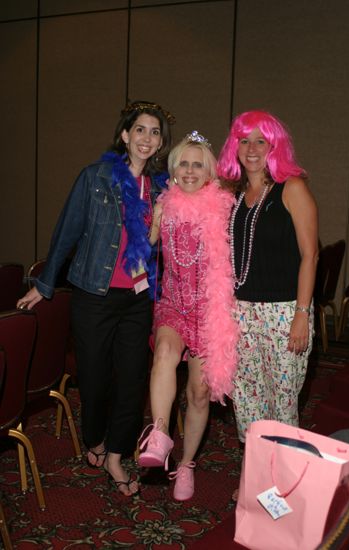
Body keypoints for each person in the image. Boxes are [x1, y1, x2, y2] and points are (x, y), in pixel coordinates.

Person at [17, 100, 175, 496]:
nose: (146, 138)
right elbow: (67, 232)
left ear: (159, 144)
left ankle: (117, 456)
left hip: (138, 299)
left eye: (154, 132)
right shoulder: (95, 177)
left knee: (133, 380)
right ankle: (94, 438)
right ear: (125, 135)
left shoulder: (161, 188)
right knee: (94, 377)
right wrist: (45, 283)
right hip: (93, 293)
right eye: (140, 129)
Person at [137, 131, 238, 501]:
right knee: (163, 354)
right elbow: (143, 247)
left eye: (199, 164)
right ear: (174, 169)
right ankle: (160, 435)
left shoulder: (226, 210)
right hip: (174, 303)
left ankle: (187, 464)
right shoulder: (163, 204)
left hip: (211, 313)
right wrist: (155, 220)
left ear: (210, 173)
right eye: (184, 163)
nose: (191, 170)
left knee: (199, 393)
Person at [217, 110, 319, 444]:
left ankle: (282, 482)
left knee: (282, 403)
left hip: (284, 311)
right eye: (244, 140)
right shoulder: (233, 194)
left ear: (275, 147)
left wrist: (301, 315)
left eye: (261, 141)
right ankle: (254, 478)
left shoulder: (292, 188)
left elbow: (310, 255)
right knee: (246, 400)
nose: (251, 148)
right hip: (241, 313)